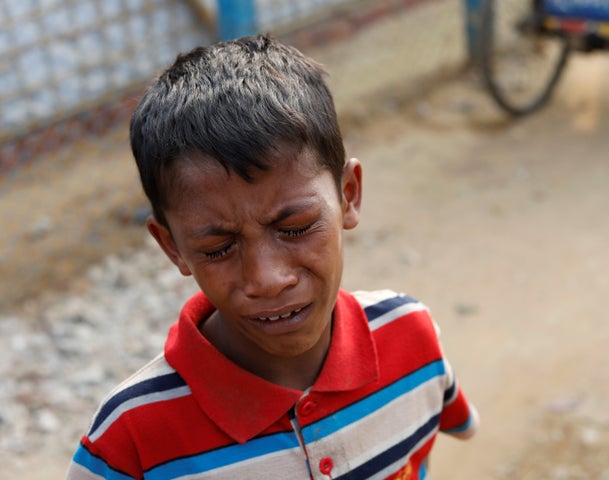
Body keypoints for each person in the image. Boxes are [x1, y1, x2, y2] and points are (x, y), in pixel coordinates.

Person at [66, 34, 478, 480]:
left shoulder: (410, 340)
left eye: (295, 227)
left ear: (349, 195)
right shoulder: (132, 439)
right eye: (218, 248)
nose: (267, 278)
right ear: (171, 247)